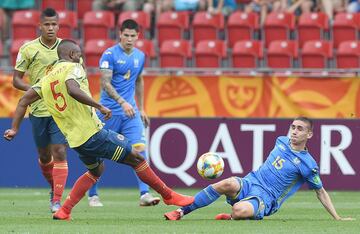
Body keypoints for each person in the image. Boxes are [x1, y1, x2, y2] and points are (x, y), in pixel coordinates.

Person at [4, 39, 194, 221]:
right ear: (72, 54)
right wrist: (99, 106)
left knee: (96, 170)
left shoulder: (47, 79)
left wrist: (14, 128)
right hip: (93, 134)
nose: (81, 57)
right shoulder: (74, 67)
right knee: (137, 158)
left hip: (76, 141)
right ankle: (168, 195)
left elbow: (23, 101)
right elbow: (72, 88)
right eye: (79, 53)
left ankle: (64, 210)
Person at [164, 117, 354, 221]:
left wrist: (337, 218)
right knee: (227, 182)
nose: (294, 131)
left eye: (300, 129)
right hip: (251, 182)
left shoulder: (308, 165)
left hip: (267, 198)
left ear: (309, 134)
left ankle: (232, 216)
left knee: (239, 210)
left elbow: (320, 192)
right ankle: (181, 212)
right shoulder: (281, 141)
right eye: (293, 127)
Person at [89, 19, 160, 207]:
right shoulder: (109, 54)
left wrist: (142, 107)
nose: (129, 39)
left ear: (138, 36)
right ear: (120, 34)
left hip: (131, 113)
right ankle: (92, 194)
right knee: (98, 153)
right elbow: (105, 83)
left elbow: (139, 80)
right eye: (126, 35)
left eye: (133, 35)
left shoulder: (140, 56)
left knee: (139, 151)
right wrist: (121, 102)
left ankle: (145, 194)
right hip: (108, 112)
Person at [12, 8, 67, 213]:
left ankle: (57, 200)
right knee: (45, 156)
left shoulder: (67, 48)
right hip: (37, 110)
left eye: (54, 24)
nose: (51, 28)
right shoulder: (28, 49)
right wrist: (36, 90)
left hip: (61, 110)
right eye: (47, 24)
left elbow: (79, 75)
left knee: (59, 151)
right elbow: (16, 80)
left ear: (59, 25)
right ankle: (54, 187)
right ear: (40, 26)